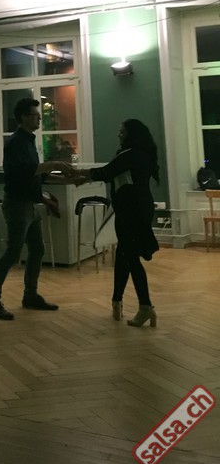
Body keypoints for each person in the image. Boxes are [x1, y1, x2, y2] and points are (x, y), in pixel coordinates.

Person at [0, 98, 74, 320]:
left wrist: (68, 179)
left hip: (30, 204)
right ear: (23, 117)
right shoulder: (16, 142)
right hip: (17, 204)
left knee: (37, 249)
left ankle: (30, 295)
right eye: (34, 114)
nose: (39, 117)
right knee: (13, 252)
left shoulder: (28, 141)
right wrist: (54, 165)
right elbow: (24, 171)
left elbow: (36, 174)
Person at [80, 118, 160, 327]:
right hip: (136, 208)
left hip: (131, 211)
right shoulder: (141, 154)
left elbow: (106, 172)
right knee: (124, 255)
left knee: (130, 257)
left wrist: (77, 175)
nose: (119, 135)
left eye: (122, 132)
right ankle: (117, 301)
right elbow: (112, 173)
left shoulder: (130, 155)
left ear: (132, 135)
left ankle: (145, 306)